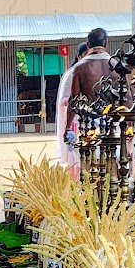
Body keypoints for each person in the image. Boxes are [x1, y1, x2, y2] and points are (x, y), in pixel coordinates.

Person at [55, 44, 86, 177]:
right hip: (75, 121)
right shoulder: (71, 74)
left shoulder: (90, 71)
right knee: (75, 156)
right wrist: (78, 99)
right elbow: (63, 100)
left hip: (89, 120)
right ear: (79, 56)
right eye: (85, 55)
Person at [68, 27, 114, 102]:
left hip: (91, 112)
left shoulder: (79, 67)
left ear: (88, 45)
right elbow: (128, 98)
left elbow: (74, 102)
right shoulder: (117, 64)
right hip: (116, 112)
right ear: (105, 43)